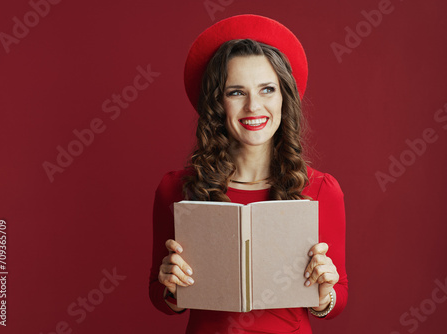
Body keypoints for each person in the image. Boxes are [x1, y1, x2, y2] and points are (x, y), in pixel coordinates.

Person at [148, 14, 348, 333]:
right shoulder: (176, 190)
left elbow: (339, 298)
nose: (254, 106)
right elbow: (160, 298)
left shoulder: (322, 189)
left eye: (267, 89)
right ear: (217, 103)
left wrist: (326, 294)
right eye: (236, 92)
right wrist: (171, 285)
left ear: (285, 98)